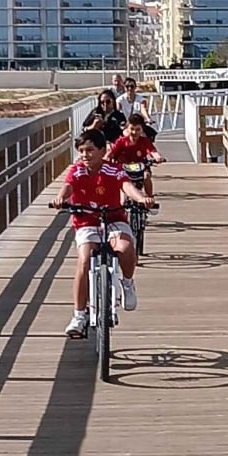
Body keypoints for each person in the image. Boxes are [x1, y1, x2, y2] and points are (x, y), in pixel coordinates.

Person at [49, 128, 156, 339]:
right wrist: (60, 199)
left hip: (113, 218)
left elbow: (126, 186)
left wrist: (141, 198)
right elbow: (67, 187)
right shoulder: (77, 171)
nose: (85, 155)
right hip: (86, 221)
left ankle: (127, 283)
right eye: (81, 150)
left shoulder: (113, 170)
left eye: (90, 150)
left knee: (125, 248)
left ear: (102, 150)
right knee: (84, 260)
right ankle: (79, 315)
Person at [107, 113, 166, 200]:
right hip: (124, 168)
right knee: (122, 188)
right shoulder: (121, 141)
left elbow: (152, 151)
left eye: (138, 129)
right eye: (132, 129)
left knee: (146, 176)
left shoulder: (144, 141)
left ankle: (150, 199)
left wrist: (158, 157)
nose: (134, 132)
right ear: (127, 128)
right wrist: (105, 161)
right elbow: (110, 154)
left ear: (142, 129)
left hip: (141, 167)